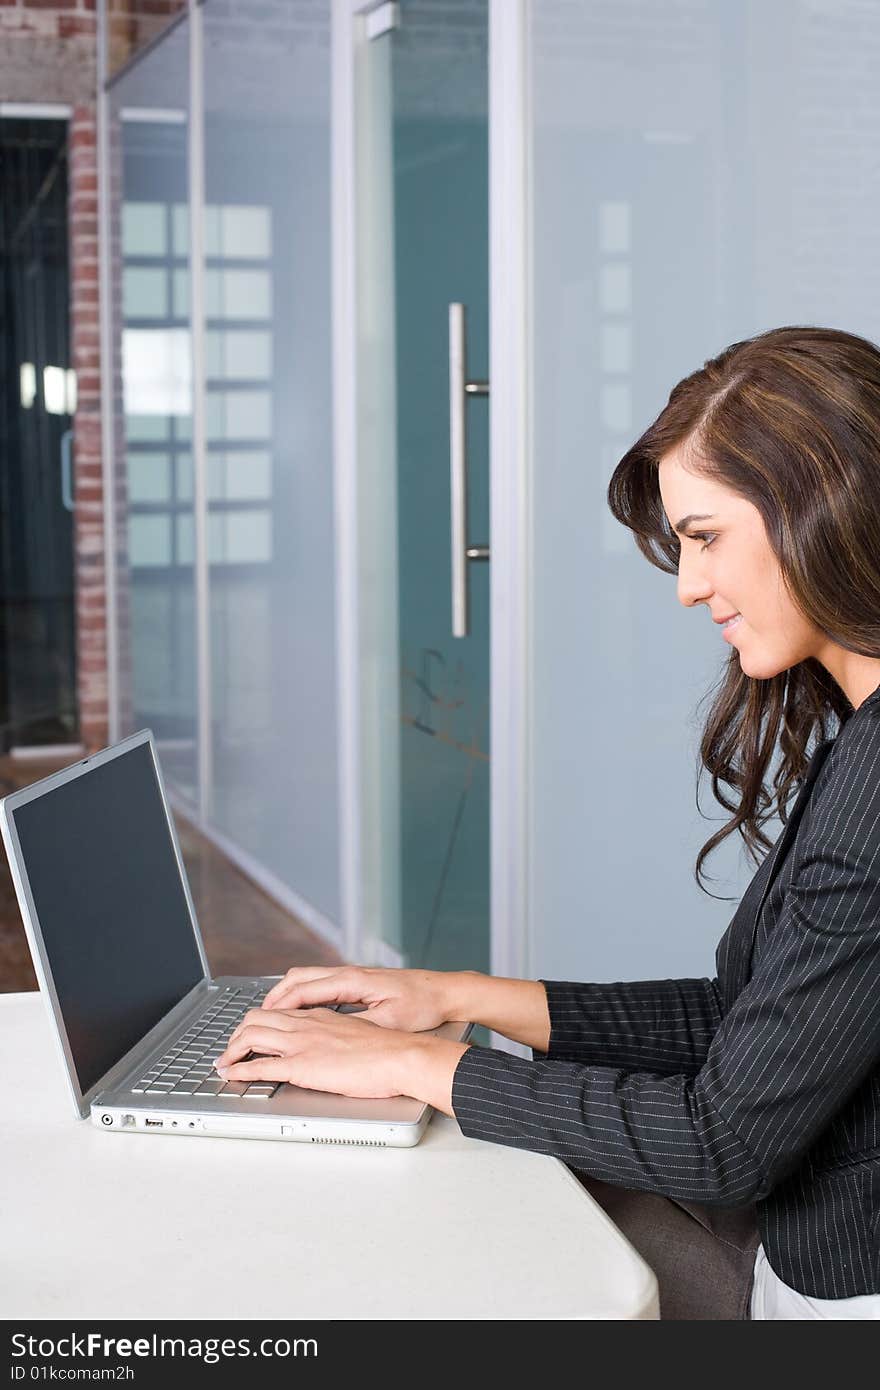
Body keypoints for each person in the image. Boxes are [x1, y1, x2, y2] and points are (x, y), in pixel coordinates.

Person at [214, 325, 880, 1320]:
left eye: (704, 537)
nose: (690, 585)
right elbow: (753, 1027)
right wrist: (453, 996)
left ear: (823, 503)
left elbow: (723, 1138)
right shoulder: (857, 733)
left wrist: (415, 1062)